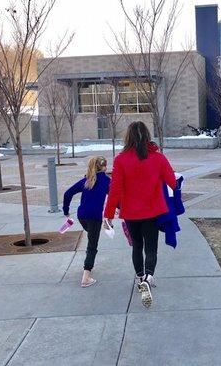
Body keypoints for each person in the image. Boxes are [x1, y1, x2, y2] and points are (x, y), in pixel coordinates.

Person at [104, 121, 176, 308]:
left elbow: (115, 189)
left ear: (128, 137)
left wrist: (108, 214)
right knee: (151, 247)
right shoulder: (158, 158)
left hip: (131, 213)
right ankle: (148, 276)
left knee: (137, 245)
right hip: (153, 211)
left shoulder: (120, 160)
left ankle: (139, 277)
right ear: (147, 135)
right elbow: (173, 182)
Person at [63, 156, 110, 288]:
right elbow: (115, 198)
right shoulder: (106, 181)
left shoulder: (86, 180)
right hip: (94, 217)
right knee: (92, 245)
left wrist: (66, 210)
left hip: (81, 216)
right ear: (104, 166)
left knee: (91, 238)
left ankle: (88, 264)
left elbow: (68, 193)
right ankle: (86, 277)